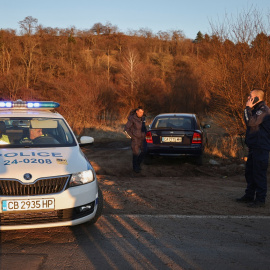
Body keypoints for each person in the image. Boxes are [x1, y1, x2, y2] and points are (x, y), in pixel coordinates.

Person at [236, 88, 270, 207]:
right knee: (250, 173)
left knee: (259, 174)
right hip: (254, 147)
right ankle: (249, 195)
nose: (248, 98)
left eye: (250, 96)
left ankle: (260, 200)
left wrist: (247, 108)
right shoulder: (256, 110)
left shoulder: (263, 110)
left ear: (256, 98)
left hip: (261, 148)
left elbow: (250, 122)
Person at [124, 107, 147, 173]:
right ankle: (135, 168)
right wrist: (132, 137)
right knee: (135, 153)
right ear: (136, 112)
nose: (141, 114)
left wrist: (146, 132)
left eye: (142, 112)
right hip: (135, 139)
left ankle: (138, 164)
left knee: (145, 151)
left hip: (143, 138)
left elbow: (143, 127)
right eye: (140, 112)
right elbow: (126, 129)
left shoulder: (143, 118)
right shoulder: (132, 119)